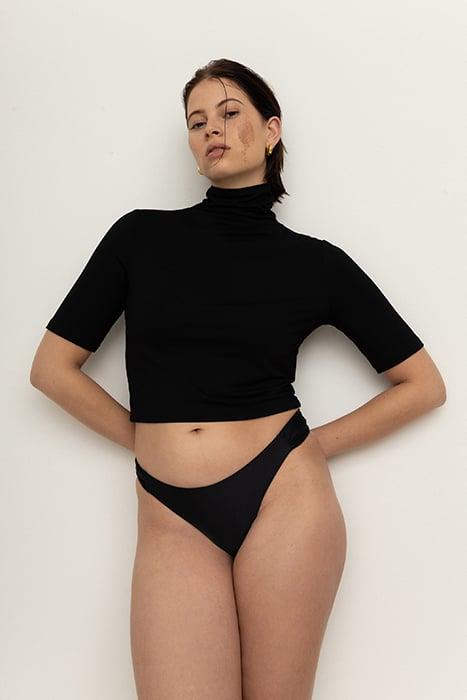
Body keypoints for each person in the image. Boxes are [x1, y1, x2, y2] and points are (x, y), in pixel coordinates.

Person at [30, 58, 446, 699]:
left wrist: (305, 448)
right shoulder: (139, 238)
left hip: (284, 500)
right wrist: (144, 440)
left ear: (271, 130)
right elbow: (52, 370)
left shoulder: (316, 263)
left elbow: (423, 385)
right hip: (171, 512)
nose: (211, 131)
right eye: (197, 122)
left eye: (228, 113)